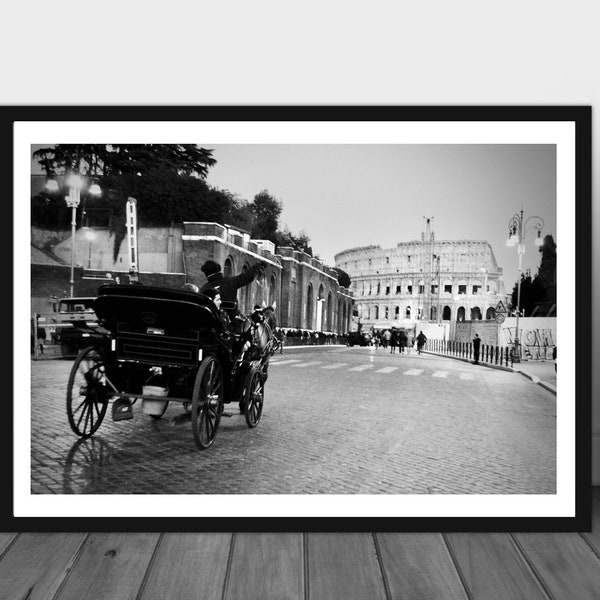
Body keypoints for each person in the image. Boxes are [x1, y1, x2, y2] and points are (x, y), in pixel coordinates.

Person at [199, 259, 266, 320]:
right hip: (233, 320)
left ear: (206, 274)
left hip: (211, 321)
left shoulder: (204, 288)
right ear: (219, 269)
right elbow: (247, 277)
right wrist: (257, 266)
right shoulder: (230, 281)